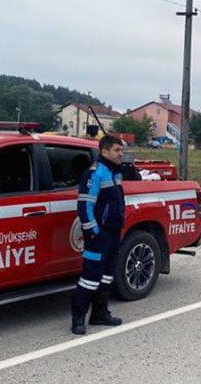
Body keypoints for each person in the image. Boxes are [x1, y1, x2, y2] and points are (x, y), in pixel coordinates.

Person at [71, 135, 126, 335]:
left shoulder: (114, 173)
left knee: (107, 276)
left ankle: (100, 314)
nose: (121, 154)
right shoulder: (94, 174)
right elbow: (85, 206)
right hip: (98, 235)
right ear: (104, 152)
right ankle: (78, 319)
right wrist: (94, 232)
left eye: (121, 150)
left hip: (113, 233)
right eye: (117, 150)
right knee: (90, 277)